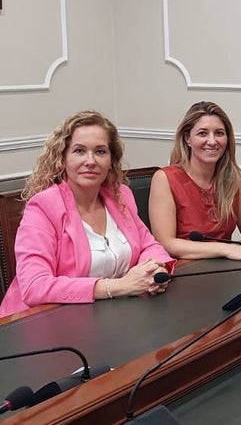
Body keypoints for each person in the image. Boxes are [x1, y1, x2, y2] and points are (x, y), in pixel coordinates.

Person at [0, 111, 175, 318]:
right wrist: (117, 287)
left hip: (113, 316)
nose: (90, 161)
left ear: (112, 160)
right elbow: (35, 286)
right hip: (44, 323)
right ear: (62, 158)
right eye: (79, 151)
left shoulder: (120, 197)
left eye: (100, 152)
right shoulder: (43, 207)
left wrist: (152, 272)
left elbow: (150, 246)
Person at [149, 102, 241, 262]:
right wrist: (226, 249)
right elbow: (166, 244)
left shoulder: (231, 177)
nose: (212, 141)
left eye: (219, 133)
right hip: (186, 271)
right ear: (187, 138)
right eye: (203, 133)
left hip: (224, 268)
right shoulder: (165, 178)